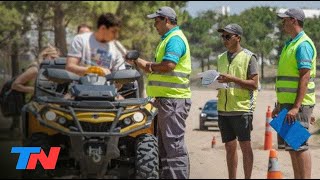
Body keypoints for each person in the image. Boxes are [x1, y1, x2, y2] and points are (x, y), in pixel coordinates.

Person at [125, 6, 192, 179]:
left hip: (173, 101)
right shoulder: (167, 39)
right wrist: (137, 61)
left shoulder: (175, 39)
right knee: (164, 148)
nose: (154, 24)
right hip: (166, 101)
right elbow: (156, 68)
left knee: (174, 149)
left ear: (167, 20)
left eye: (157, 20)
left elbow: (168, 65)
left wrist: (150, 66)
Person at [273, 8, 316, 179]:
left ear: (294, 21)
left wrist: (297, 107)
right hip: (286, 105)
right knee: (292, 147)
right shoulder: (290, 44)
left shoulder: (303, 44)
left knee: (299, 146)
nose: (282, 23)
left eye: (284, 20)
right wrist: (279, 105)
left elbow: (304, 76)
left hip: (297, 105)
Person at [216, 23, 259, 179]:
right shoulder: (220, 58)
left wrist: (232, 79)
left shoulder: (249, 57)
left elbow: (254, 84)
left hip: (242, 109)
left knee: (245, 147)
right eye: (223, 36)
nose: (224, 39)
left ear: (238, 38)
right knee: (229, 147)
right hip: (223, 109)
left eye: (228, 36)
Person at [10, 45, 60, 131]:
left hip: (43, 106)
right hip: (31, 106)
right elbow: (15, 85)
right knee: (33, 134)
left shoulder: (47, 69)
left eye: (56, 58)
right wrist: (34, 90)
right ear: (45, 56)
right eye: (52, 57)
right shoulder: (34, 69)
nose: (54, 60)